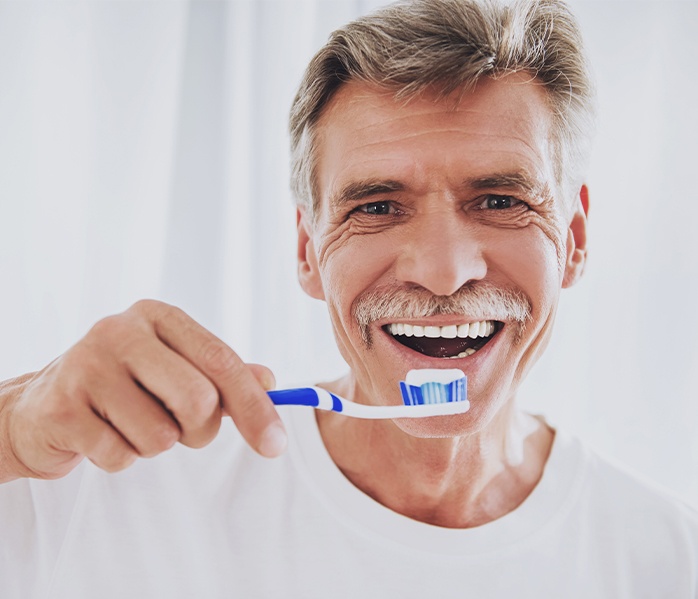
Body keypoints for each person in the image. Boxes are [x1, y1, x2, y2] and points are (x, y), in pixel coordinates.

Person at [1, 0, 697, 596]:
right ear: (308, 249)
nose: (444, 272)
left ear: (573, 237)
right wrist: (11, 430)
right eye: (377, 206)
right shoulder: (110, 482)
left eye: (499, 199)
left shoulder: (666, 559)